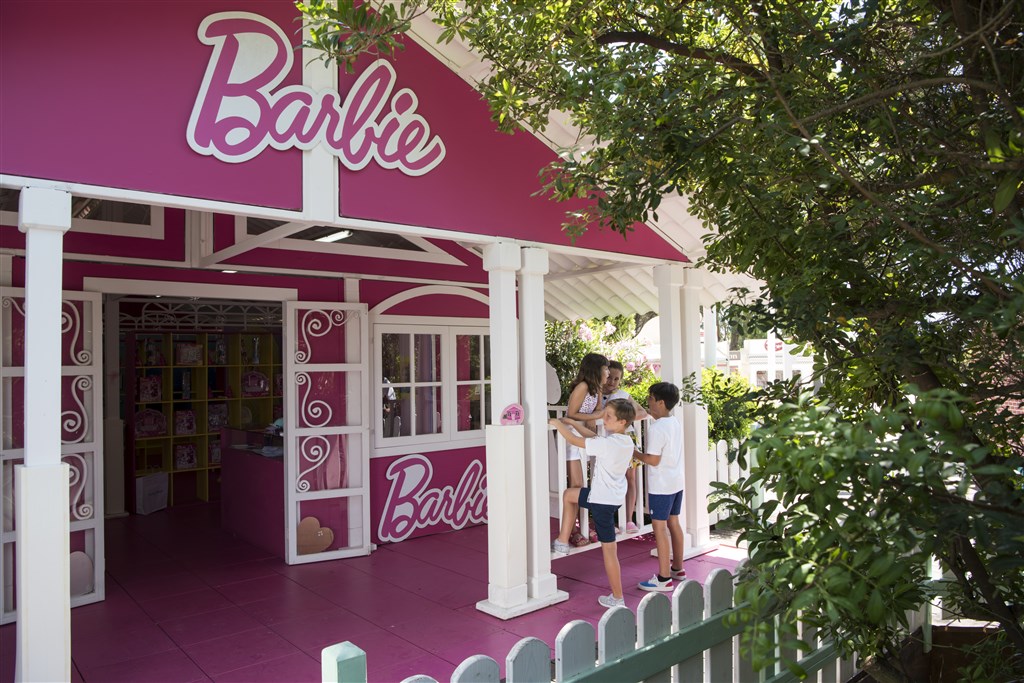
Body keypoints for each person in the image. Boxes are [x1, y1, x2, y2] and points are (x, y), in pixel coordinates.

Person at [550, 398, 637, 608]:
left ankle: (617, 597)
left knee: (609, 551)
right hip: (611, 498)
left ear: (622, 422)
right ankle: (562, 540)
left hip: (600, 501)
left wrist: (558, 424)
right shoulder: (626, 441)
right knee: (570, 495)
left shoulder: (607, 444)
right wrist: (575, 423)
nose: (604, 419)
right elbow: (594, 438)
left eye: (609, 416)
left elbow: (575, 440)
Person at [632, 382, 685, 592]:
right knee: (674, 523)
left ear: (661, 403)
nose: (648, 402)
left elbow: (653, 460)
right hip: (676, 482)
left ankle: (664, 579)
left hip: (661, 485)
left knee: (659, 528)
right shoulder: (674, 421)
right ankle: (678, 569)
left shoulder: (656, 428)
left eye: (651, 398)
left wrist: (633, 452)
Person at [563, 352, 609, 546]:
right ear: (596, 369)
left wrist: (593, 417)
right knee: (577, 485)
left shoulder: (596, 388)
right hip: (572, 437)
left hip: (584, 437)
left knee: (585, 484)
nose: (608, 372)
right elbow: (571, 414)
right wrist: (592, 418)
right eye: (605, 368)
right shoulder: (582, 387)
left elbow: (597, 410)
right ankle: (573, 530)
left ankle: (583, 525)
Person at [602, 360, 648, 535]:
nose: (612, 382)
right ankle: (610, 520)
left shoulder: (622, 395)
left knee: (630, 479)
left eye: (616, 379)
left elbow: (642, 412)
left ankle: (628, 519)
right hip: (608, 442)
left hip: (626, 439)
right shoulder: (595, 395)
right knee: (609, 480)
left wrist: (623, 417)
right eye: (610, 377)